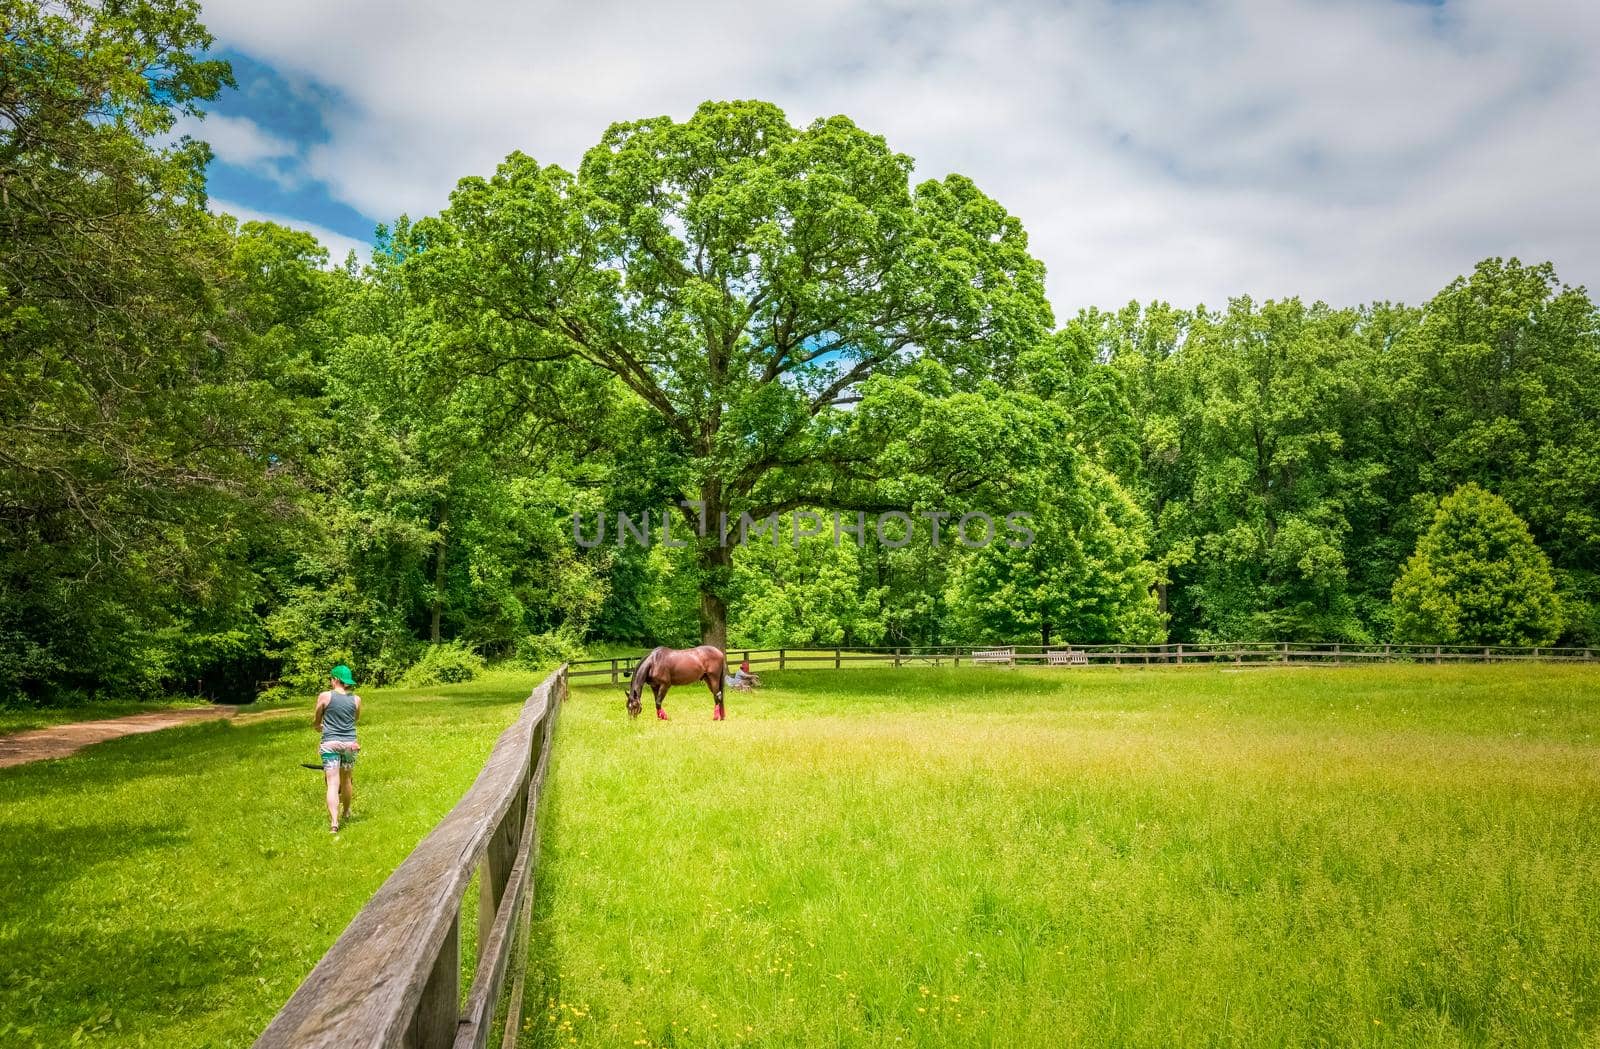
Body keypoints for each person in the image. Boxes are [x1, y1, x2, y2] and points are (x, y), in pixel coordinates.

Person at [314, 664, 362, 834]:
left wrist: (319, 726)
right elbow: (354, 718)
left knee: (333, 783)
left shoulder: (325, 696)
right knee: (347, 779)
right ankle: (347, 812)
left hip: (330, 744)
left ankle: (334, 823)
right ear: (347, 682)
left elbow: (317, 720)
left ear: (335, 680)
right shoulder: (356, 699)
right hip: (349, 745)